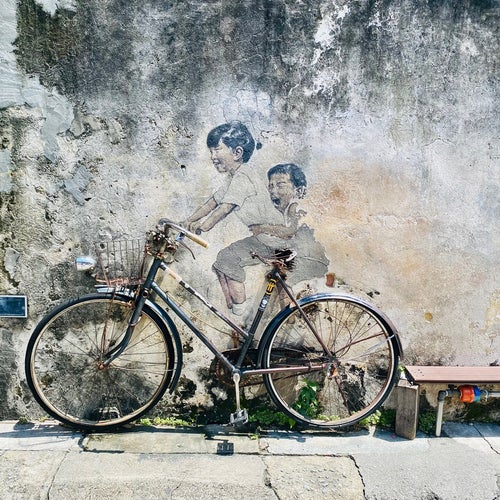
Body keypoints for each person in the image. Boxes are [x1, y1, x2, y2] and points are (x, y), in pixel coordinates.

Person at [212, 163, 329, 316]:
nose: (273, 190)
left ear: (298, 190)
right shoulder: (281, 209)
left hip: (305, 256)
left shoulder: (295, 206)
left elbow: (290, 231)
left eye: (280, 185)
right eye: (271, 186)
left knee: (284, 284)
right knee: (282, 284)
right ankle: (286, 320)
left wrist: (262, 228)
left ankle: (286, 320)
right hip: (289, 251)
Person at [184, 121, 275, 235]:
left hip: (273, 233)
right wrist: (188, 221)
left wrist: (203, 227)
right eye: (211, 151)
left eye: (217, 150)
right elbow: (212, 203)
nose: (212, 157)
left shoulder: (243, 176)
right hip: (262, 234)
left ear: (237, 153)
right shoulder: (232, 176)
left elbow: (225, 208)